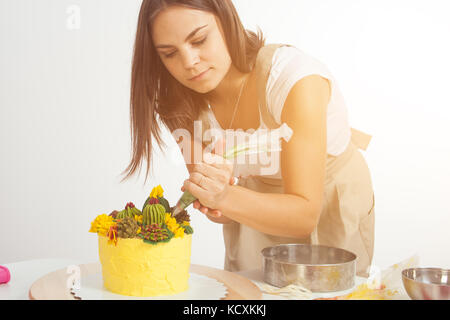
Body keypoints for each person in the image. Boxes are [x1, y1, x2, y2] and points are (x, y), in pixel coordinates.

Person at [121, 0, 375, 277]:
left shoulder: (295, 79)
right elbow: (218, 201)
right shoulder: (178, 103)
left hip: (326, 205)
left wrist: (225, 196)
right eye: (169, 54)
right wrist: (216, 200)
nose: (189, 63)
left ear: (228, 22)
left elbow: (303, 215)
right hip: (254, 211)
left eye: (200, 40)